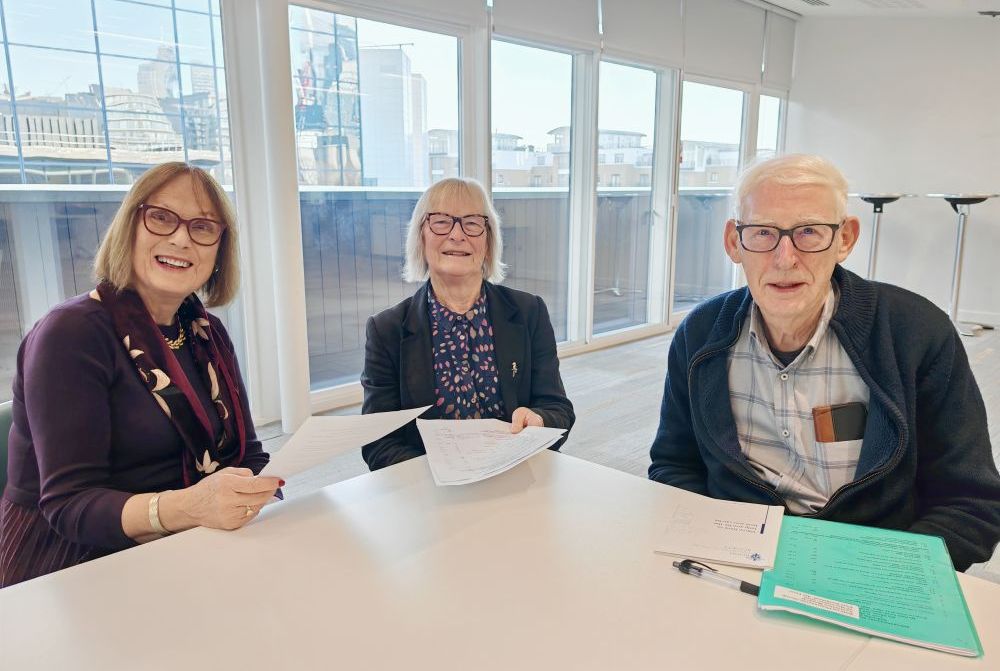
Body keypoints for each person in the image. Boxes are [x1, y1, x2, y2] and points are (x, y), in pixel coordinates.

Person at [648, 154, 1000, 571]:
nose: (784, 259)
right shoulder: (701, 334)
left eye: (809, 232)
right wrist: (711, 547)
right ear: (733, 242)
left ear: (845, 239)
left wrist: (884, 573)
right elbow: (674, 464)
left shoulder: (916, 333)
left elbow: (971, 502)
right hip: (735, 564)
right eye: (762, 232)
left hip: (876, 565)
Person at [0, 163, 282, 587]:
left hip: (187, 545)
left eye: (203, 227)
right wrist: (191, 507)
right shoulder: (71, 335)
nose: (182, 238)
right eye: (162, 217)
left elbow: (249, 455)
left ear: (219, 252)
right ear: (129, 225)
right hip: (70, 567)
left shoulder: (206, 332)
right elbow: (70, 506)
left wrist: (264, 499)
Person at [361, 177, 575, 470]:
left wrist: (539, 420)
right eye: (440, 221)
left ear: (488, 242)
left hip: (518, 477)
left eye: (472, 223)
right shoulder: (387, 330)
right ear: (421, 237)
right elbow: (378, 444)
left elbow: (558, 410)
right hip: (432, 492)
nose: (457, 235)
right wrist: (443, 473)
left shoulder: (528, 312)